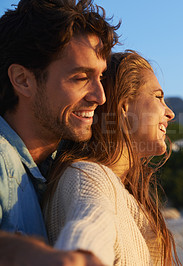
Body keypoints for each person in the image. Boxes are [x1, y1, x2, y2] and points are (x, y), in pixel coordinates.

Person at [0, 0, 118, 264]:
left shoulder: (56, 164)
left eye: (100, 77)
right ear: (23, 80)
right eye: (80, 78)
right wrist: (23, 253)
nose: (100, 97)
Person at [44, 50, 182, 265]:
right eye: (158, 97)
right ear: (124, 105)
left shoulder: (113, 186)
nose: (170, 113)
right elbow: (86, 237)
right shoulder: (87, 178)